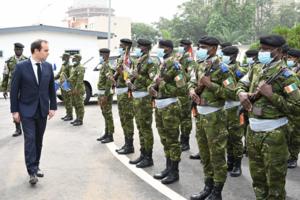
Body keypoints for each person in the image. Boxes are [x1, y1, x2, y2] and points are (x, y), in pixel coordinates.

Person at [237, 35, 300, 200]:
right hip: (253, 130)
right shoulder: (256, 68)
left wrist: (272, 96)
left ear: (278, 51)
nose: (262, 52)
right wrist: (241, 93)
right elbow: (242, 83)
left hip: (274, 133)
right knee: (258, 178)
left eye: (266, 50)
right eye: (261, 49)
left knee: (275, 181)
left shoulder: (287, 76)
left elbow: (297, 108)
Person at [189, 36, 236, 200]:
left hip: (215, 116)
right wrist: (192, 91)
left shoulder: (223, 69)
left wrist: (210, 85)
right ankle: (207, 187)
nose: (200, 50)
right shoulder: (199, 65)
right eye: (199, 47)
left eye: (204, 47)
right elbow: (190, 82)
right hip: (201, 115)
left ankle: (217, 192)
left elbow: (231, 93)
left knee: (216, 156)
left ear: (214, 49)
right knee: (205, 154)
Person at [10, 39, 57, 185]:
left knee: (38, 140)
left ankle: (36, 165)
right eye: (45, 50)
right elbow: (14, 90)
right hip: (26, 110)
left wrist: (53, 107)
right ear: (36, 51)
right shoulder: (21, 67)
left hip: (42, 109)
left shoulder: (48, 67)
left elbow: (51, 88)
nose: (48, 53)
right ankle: (31, 171)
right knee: (30, 139)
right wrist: (15, 111)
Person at [149, 39, 186, 184]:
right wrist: (151, 88)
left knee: (172, 140)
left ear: (169, 49)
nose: (159, 50)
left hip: (170, 106)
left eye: (162, 47)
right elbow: (156, 81)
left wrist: (162, 84)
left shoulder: (176, 66)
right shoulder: (163, 63)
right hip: (159, 105)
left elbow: (182, 89)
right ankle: (168, 167)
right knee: (164, 139)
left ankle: (174, 172)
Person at [127, 39, 157, 168]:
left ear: (145, 48)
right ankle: (143, 154)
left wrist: (137, 76)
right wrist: (130, 81)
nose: (137, 48)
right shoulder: (139, 61)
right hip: (136, 97)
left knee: (145, 128)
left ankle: (148, 157)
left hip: (144, 99)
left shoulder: (150, 62)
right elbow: (135, 76)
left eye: (139, 46)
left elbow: (152, 82)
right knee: (140, 127)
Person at [221, 46, 244, 177]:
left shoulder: (239, 71)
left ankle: (237, 164)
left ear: (234, 56)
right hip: (224, 107)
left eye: (226, 55)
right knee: (227, 136)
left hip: (235, 108)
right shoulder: (222, 69)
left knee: (236, 137)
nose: (222, 57)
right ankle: (229, 161)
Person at [114, 38, 136, 155]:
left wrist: (120, 72)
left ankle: (130, 145)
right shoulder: (121, 59)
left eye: (121, 45)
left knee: (127, 119)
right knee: (123, 119)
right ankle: (126, 143)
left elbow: (128, 77)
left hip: (125, 93)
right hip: (120, 92)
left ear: (126, 47)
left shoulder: (128, 60)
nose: (120, 47)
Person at [1, 43, 27, 137]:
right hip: (14, 88)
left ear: (22, 51)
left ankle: (26, 127)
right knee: (15, 107)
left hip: (25, 88)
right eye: (17, 49)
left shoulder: (27, 60)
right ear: (14, 50)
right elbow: (5, 75)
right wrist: (4, 89)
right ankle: (17, 129)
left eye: (20, 50)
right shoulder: (9, 61)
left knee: (25, 107)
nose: (18, 51)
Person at [176, 39, 195, 151]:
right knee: (178, 118)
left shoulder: (189, 60)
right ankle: (180, 140)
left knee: (185, 119)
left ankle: (185, 141)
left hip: (185, 94)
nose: (180, 47)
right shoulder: (178, 57)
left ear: (188, 46)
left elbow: (189, 76)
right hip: (177, 93)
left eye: (182, 45)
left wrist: (179, 69)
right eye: (179, 45)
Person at [96, 48, 115, 143]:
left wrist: (106, 96)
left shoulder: (107, 66)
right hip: (101, 93)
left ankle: (110, 135)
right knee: (105, 114)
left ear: (106, 55)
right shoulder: (104, 64)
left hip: (105, 94)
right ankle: (107, 133)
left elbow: (109, 81)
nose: (101, 56)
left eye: (102, 54)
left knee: (108, 114)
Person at [286, 48, 300, 168]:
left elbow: (293, 88)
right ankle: (289, 155)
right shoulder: (289, 69)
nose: (289, 60)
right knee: (288, 132)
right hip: (289, 105)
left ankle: (294, 157)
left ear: (297, 58)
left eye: (291, 58)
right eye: (288, 57)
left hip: (297, 106)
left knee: (295, 134)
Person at [54, 53, 73, 121]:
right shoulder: (63, 65)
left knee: (68, 101)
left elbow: (71, 76)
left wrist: (67, 83)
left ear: (67, 58)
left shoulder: (69, 66)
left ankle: (70, 115)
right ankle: (68, 114)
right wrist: (53, 78)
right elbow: (59, 74)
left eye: (63, 57)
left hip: (67, 86)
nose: (62, 59)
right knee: (65, 100)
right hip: (62, 86)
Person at [69, 54, 85, 126]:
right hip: (73, 89)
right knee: (75, 104)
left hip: (78, 89)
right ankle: (77, 118)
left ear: (78, 59)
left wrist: (76, 89)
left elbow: (80, 80)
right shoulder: (74, 67)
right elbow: (72, 78)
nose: (72, 60)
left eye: (74, 58)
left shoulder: (80, 68)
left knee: (79, 105)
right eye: (72, 58)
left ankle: (80, 119)